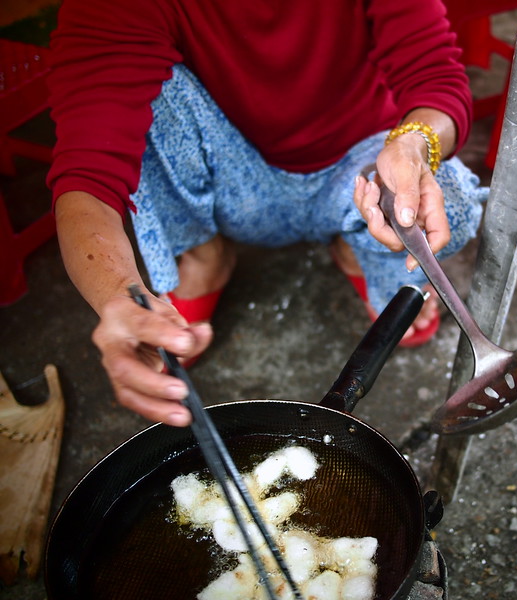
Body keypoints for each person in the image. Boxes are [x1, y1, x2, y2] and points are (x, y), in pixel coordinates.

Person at [46, 0, 488, 427]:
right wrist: (116, 299)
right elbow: (87, 173)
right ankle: (201, 256)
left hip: (363, 168)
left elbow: (436, 75)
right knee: (141, 91)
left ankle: (359, 241)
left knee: (448, 200)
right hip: (234, 177)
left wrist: (412, 146)